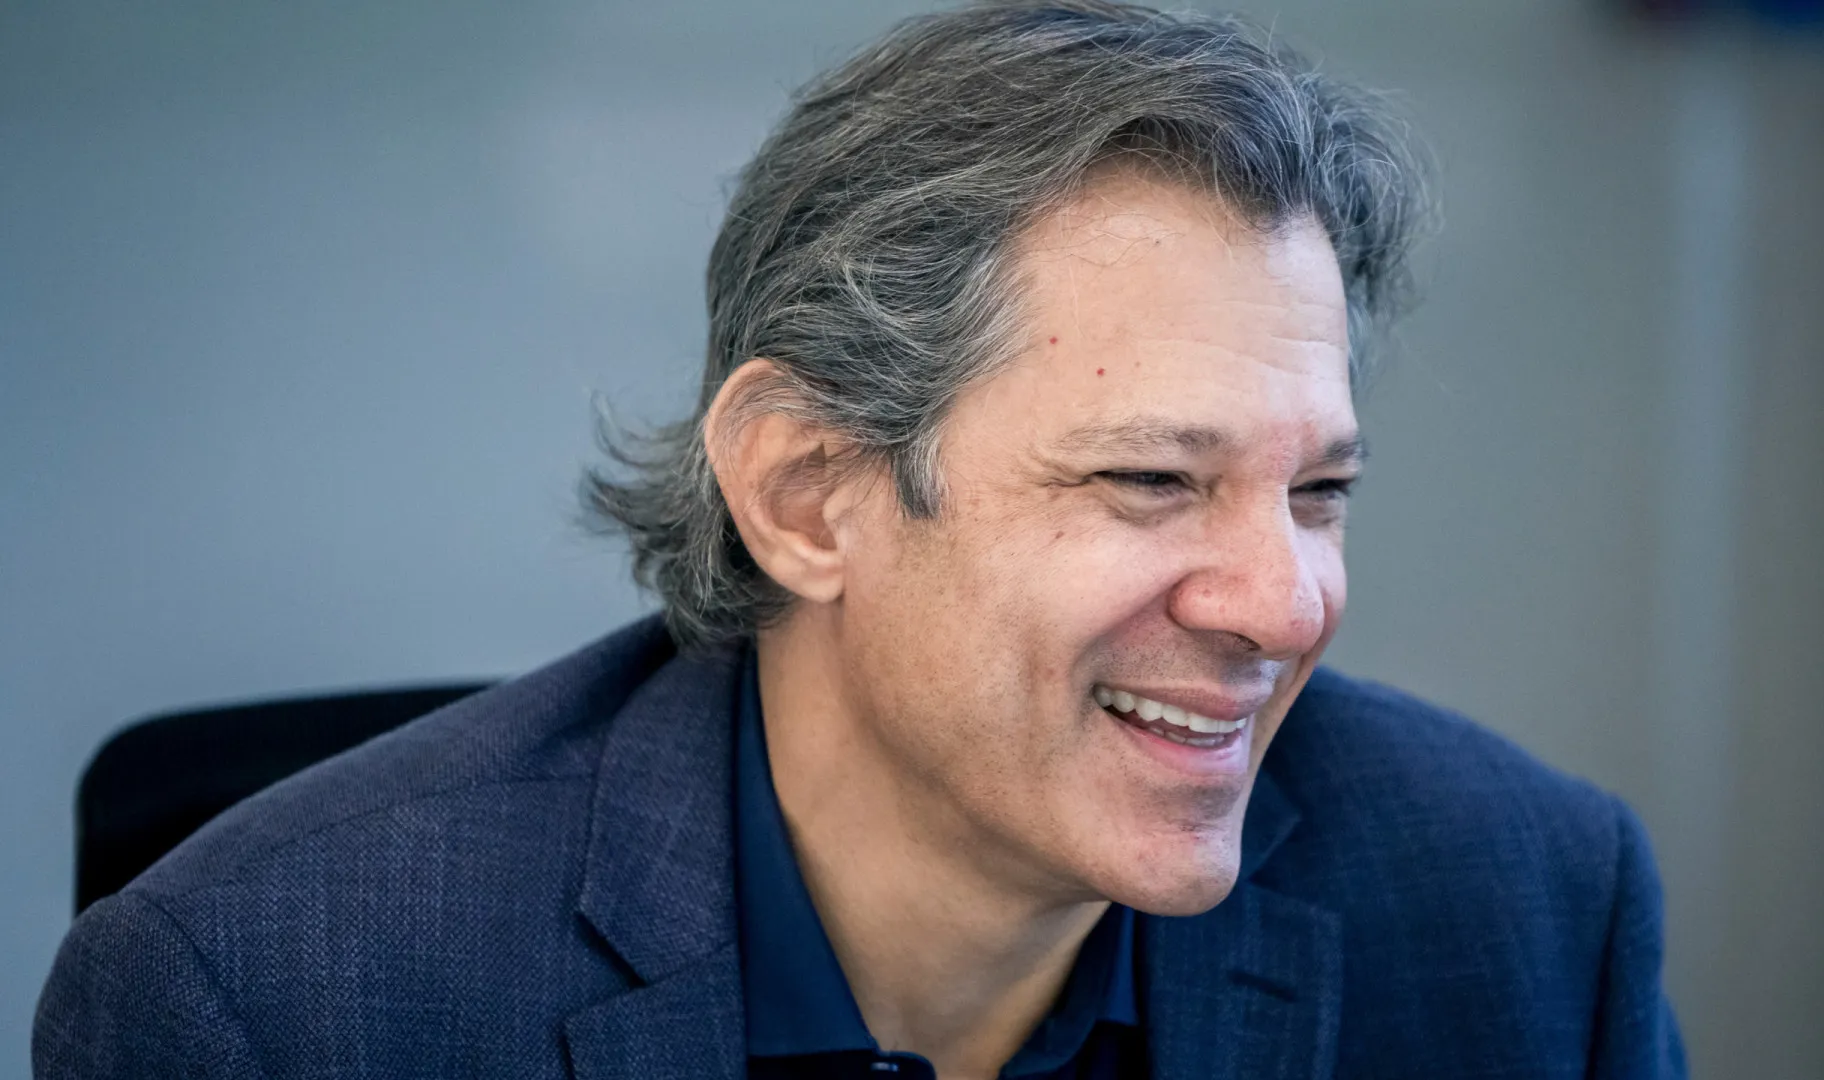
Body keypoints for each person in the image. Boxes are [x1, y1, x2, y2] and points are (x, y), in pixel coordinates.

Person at [34, 2, 1686, 1077]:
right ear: (805, 490)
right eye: (1150, 481)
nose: (1286, 603)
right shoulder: (268, 1000)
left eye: (1319, 492)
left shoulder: (1529, 907)